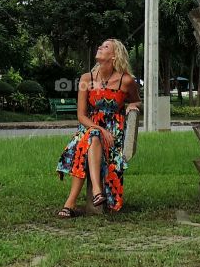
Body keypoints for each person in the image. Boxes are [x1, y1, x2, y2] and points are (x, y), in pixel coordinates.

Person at [56, 38, 141, 217]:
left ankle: (70, 204)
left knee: (85, 145)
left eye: (105, 47)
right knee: (92, 136)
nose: (100, 48)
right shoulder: (86, 79)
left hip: (113, 133)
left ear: (114, 55)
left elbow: (136, 100)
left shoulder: (125, 81)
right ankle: (97, 191)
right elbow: (81, 115)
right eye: (100, 45)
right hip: (90, 128)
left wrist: (132, 106)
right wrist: (100, 129)